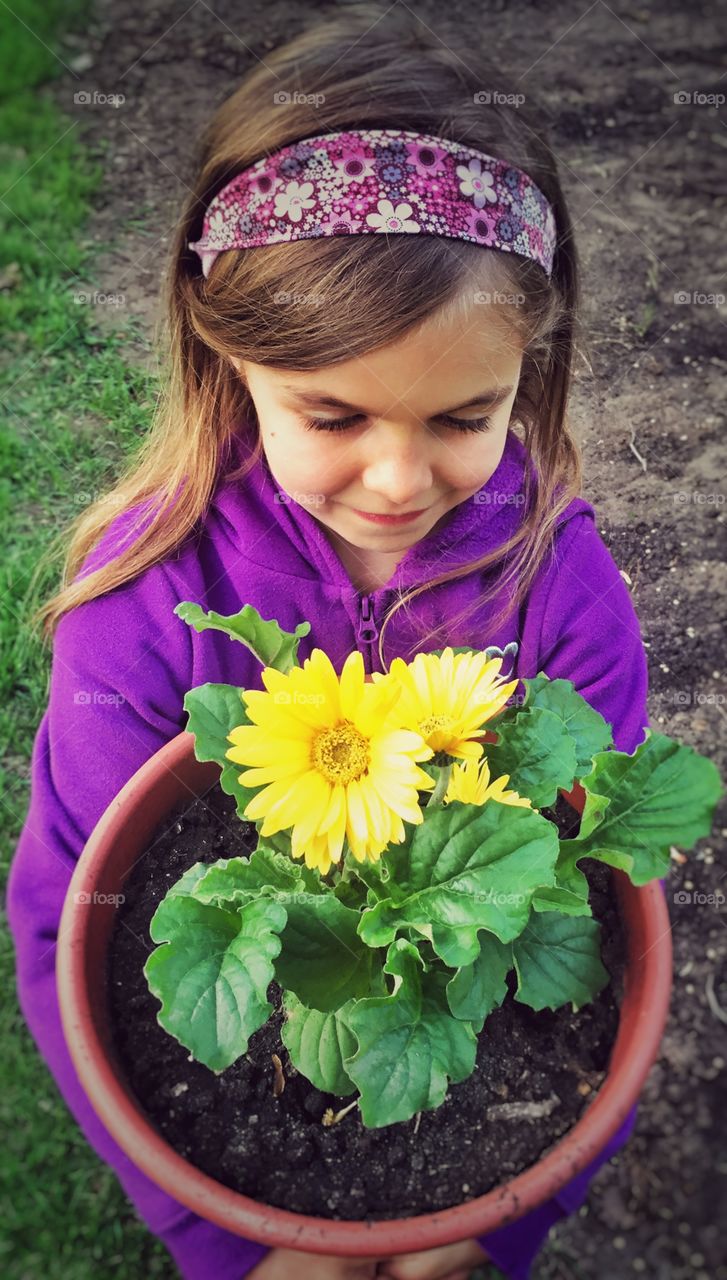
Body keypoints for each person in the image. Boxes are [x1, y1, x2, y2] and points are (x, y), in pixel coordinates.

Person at [7, 6, 652, 1280]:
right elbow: (72, 930)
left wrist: (501, 1213)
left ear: (534, 360)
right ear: (223, 347)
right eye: (333, 413)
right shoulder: (144, 603)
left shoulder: (558, 590)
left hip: (464, 1148)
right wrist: (225, 1240)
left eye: (465, 415)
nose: (397, 478)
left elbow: (605, 922)